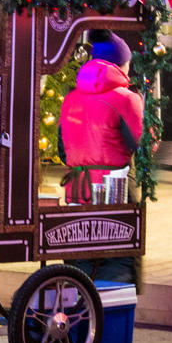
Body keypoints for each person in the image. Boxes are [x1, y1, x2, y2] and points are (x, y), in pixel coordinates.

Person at [58, 29, 144, 284]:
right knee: (117, 259)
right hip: (115, 192)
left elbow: (63, 152)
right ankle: (111, 319)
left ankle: (81, 318)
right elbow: (142, 145)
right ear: (120, 64)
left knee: (79, 262)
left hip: (77, 192)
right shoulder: (127, 99)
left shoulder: (70, 99)